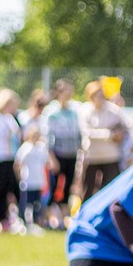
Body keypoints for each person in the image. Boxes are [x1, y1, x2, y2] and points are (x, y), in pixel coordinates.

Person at [76, 80, 127, 202]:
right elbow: (87, 133)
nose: (101, 97)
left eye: (102, 94)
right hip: (92, 157)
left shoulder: (114, 110)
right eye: (97, 94)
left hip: (111, 157)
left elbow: (125, 127)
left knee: (111, 189)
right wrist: (110, 134)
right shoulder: (85, 111)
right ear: (91, 96)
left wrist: (119, 135)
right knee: (88, 189)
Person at [41, 79, 81, 217]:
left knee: (68, 186)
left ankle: (65, 216)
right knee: (53, 186)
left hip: (72, 153)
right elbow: (47, 135)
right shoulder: (51, 111)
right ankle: (47, 216)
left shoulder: (74, 109)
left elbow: (78, 133)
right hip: (58, 153)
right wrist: (51, 157)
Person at [15, 123, 53, 232]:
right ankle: (25, 223)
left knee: (37, 204)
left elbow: (47, 163)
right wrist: (19, 177)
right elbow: (18, 164)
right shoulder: (25, 148)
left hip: (39, 181)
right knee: (27, 203)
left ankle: (36, 222)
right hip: (28, 181)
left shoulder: (41, 148)